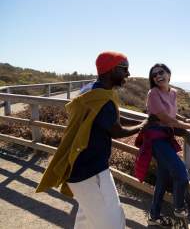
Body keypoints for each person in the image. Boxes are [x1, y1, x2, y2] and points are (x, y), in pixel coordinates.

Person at [36, 51, 146, 229]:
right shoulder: (101, 99)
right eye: (124, 69)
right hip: (90, 171)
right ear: (111, 70)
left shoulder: (91, 91)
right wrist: (143, 126)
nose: (128, 73)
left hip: (81, 165)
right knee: (113, 223)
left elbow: (112, 117)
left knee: (86, 219)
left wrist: (141, 122)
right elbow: (116, 130)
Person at [134, 63, 190, 227]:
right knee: (180, 173)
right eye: (154, 75)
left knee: (163, 179)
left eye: (161, 72)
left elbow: (171, 111)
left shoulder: (173, 93)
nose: (158, 76)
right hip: (155, 138)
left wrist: (184, 119)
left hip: (166, 137)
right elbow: (165, 118)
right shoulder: (153, 93)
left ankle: (154, 215)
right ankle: (179, 207)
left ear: (169, 74)